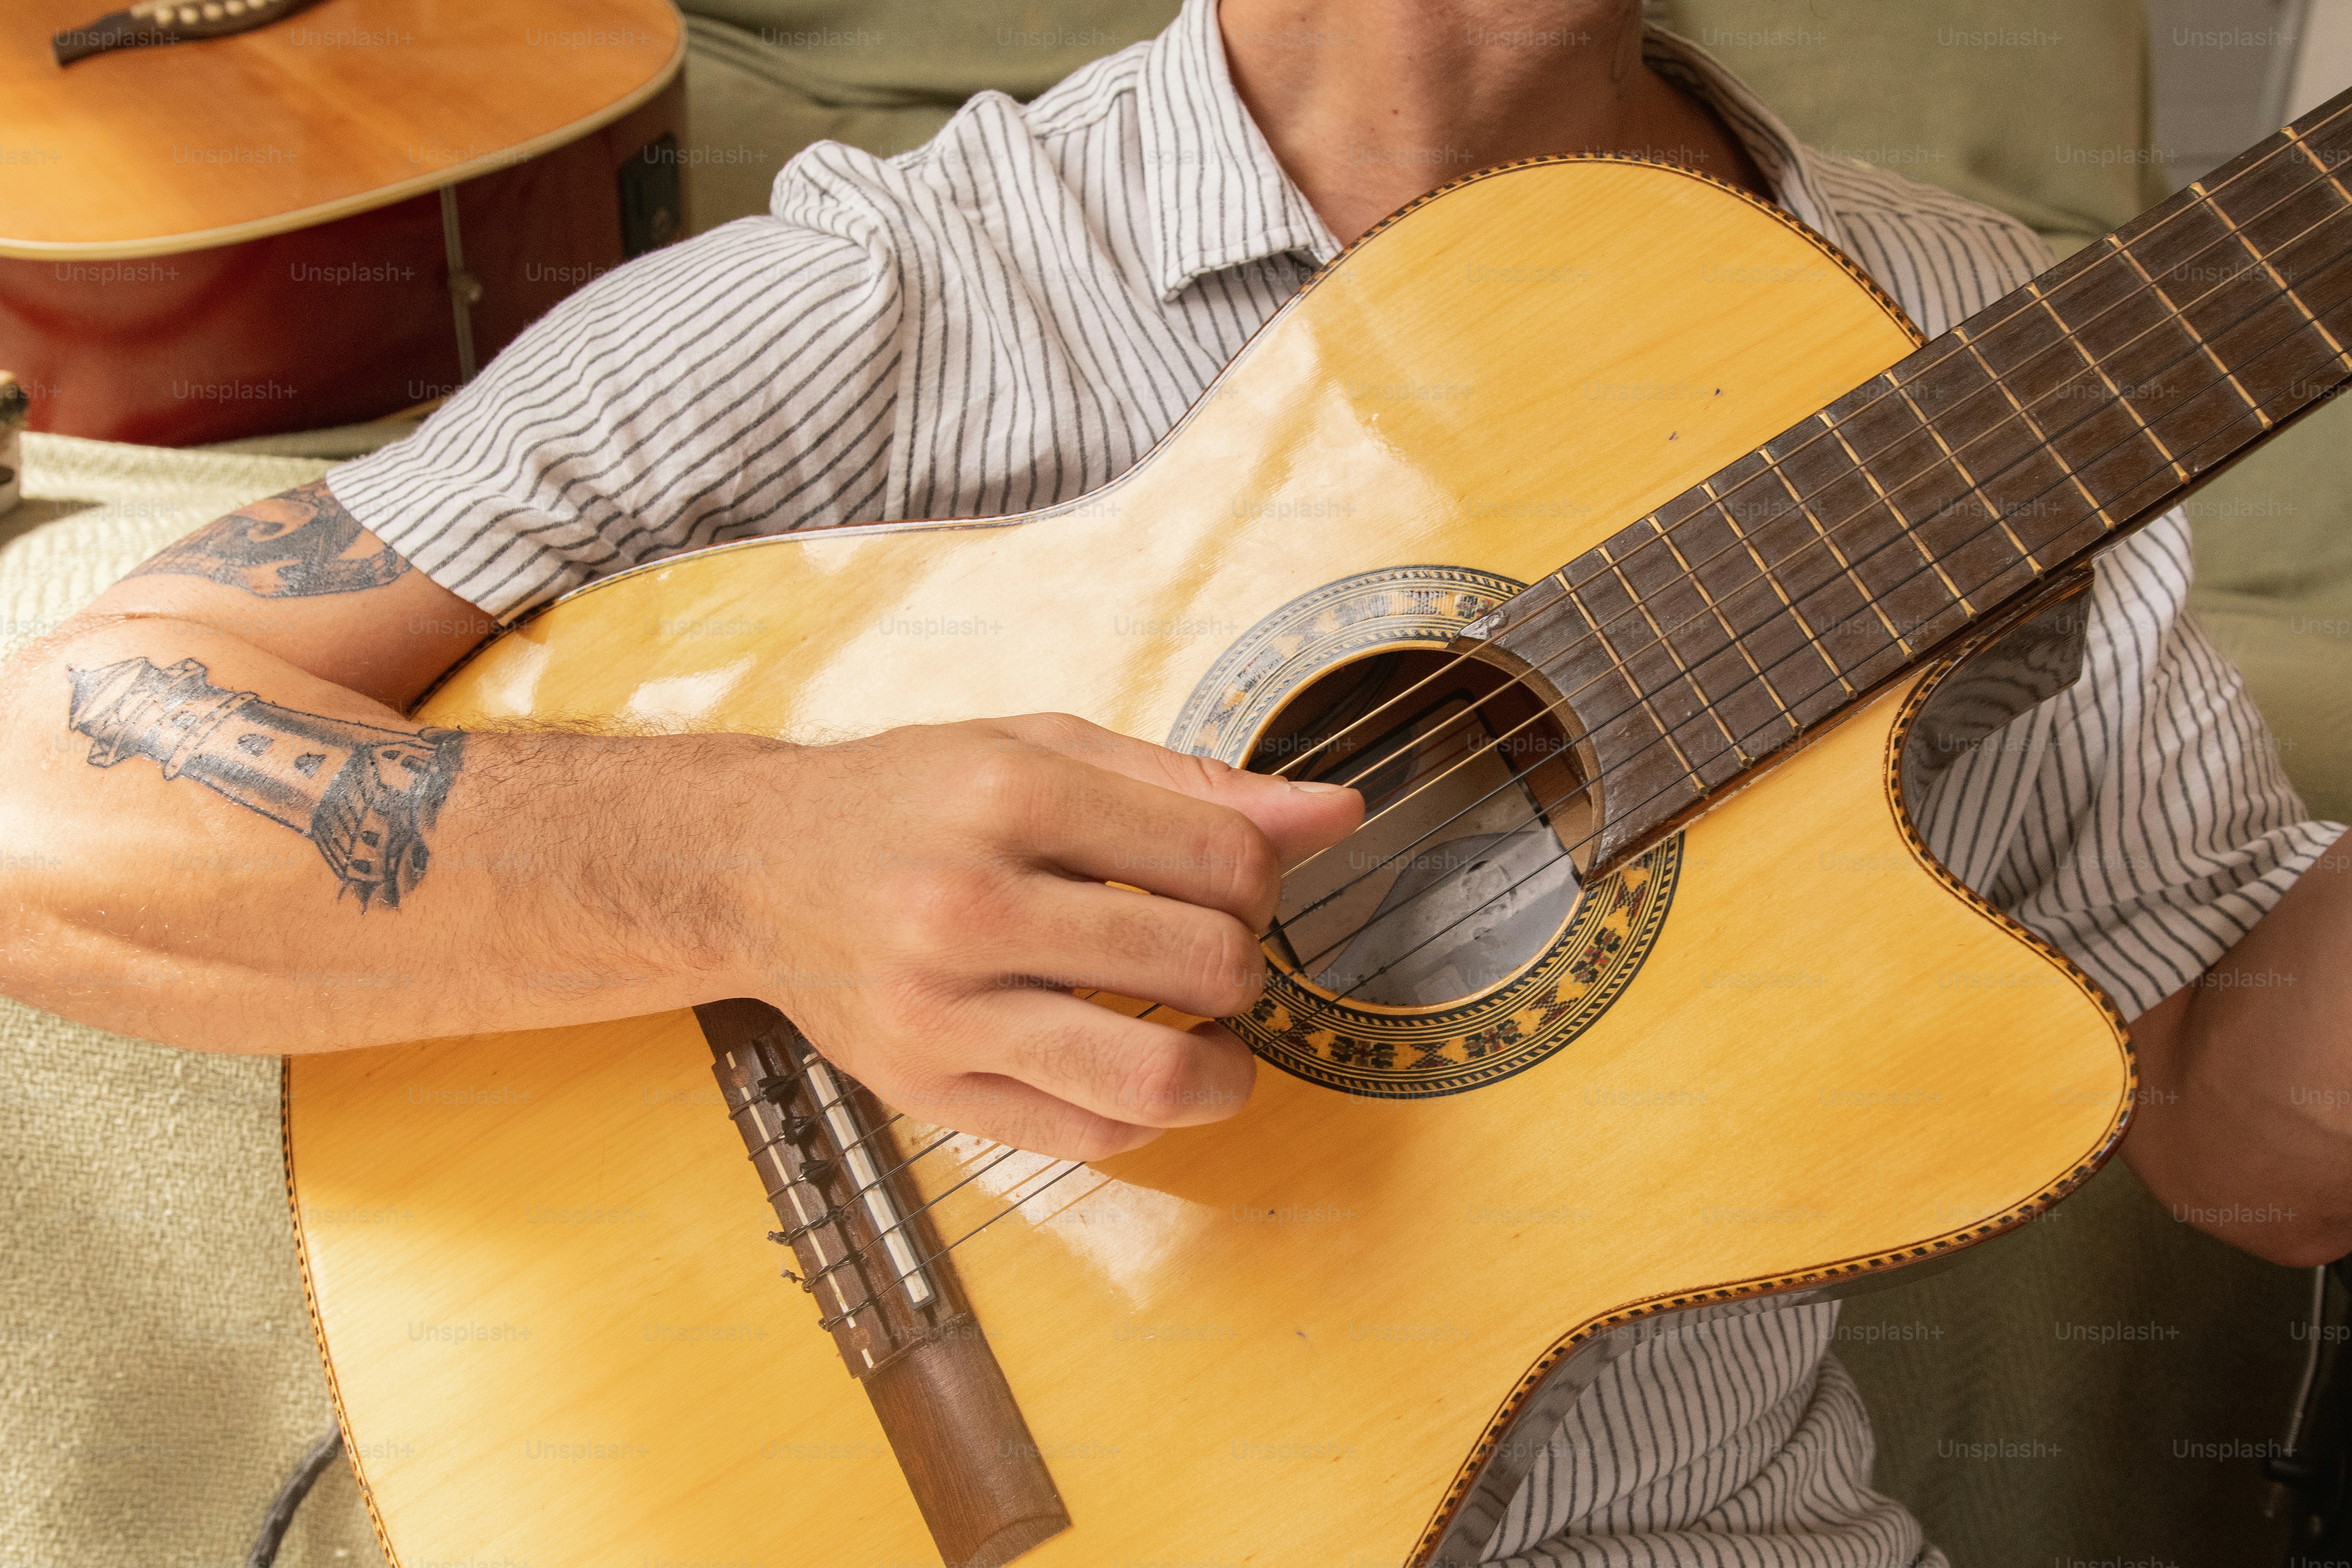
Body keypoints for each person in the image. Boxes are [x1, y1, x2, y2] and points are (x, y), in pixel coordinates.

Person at [2, 2, 2345, 1562]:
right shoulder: (901, 298)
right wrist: (748, 867)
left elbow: (2257, 1142)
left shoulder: (1998, 366)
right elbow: (58, 786)